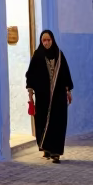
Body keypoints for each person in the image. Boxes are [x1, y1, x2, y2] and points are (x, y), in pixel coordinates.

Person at [25, 29, 74, 163]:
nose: (46, 43)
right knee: (42, 122)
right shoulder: (38, 55)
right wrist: (30, 94)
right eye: (44, 40)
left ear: (52, 40)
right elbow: (30, 75)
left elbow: (65, 75)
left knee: (58, 123)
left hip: (58, 97)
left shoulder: (59, 55)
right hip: (42, 97)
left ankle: (56, 152)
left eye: (48, 40)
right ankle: (46, 148)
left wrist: (68, 91)